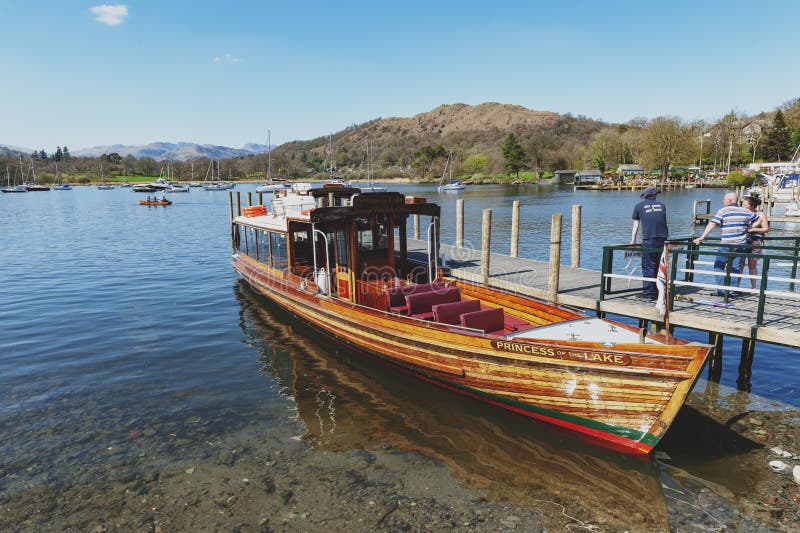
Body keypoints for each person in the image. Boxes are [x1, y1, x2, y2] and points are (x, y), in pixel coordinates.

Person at [693, 192, 758, 296]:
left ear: (729, 201)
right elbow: (757, 217)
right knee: (735, 267)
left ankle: (722, 290)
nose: (723, 201)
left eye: (724, 200)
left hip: (726, 244)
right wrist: (749, 228)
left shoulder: (723, 210)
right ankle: (731, 290)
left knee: (718, 266)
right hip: (740, 244)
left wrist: (702, 237)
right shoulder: (746, 211)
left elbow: (713, 223)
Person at [631, 186, 668, 300]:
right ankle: (659, 292)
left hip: (649, 239)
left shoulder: (638, 206)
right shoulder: (662, 205)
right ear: (654, 195)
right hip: (663, 239)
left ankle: (648, 294)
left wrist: (633, 240)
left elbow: (636, 225)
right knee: (660, 265)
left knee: (648, 266)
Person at [741, 193, 770, 289]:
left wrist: (753, 229)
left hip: (755, 241)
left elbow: (766, 229)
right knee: (740, 263)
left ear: (752, 205)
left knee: (752, 264)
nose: (743, 206)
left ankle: (754, 287)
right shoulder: (742, 214)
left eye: (745, 205)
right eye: (742, 204)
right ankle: (736, 286)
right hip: (743, 240)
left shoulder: (760, 214)